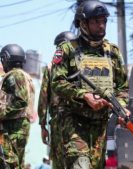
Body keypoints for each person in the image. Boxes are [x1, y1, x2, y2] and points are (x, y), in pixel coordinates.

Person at [50, 1, 129, 168]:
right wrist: (83, 95)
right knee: (81, 164)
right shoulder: (67, 49)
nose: (101, 26)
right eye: (96, 22)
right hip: (74, 122)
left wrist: (121, 108)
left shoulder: (112, 52)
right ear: (83, 24)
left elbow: (123, 88)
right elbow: (57, 82)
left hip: (100, 125)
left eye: (104, 21)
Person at [0, 44, 35, 169]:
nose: (2, 63)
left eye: (3, 59)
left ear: (7, 58)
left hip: (14, 128)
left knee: (7, 163)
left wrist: (0, 116)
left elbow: (21, 101)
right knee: (10, 163)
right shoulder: (23, 76)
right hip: (17, 127)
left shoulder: (15, 75)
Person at [38, 31, 76, 169]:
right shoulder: (83, 66)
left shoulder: (51, 67)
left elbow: (43, 98)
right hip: (81, 121)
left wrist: (43, 126)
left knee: (60, 161)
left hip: (59, 120)